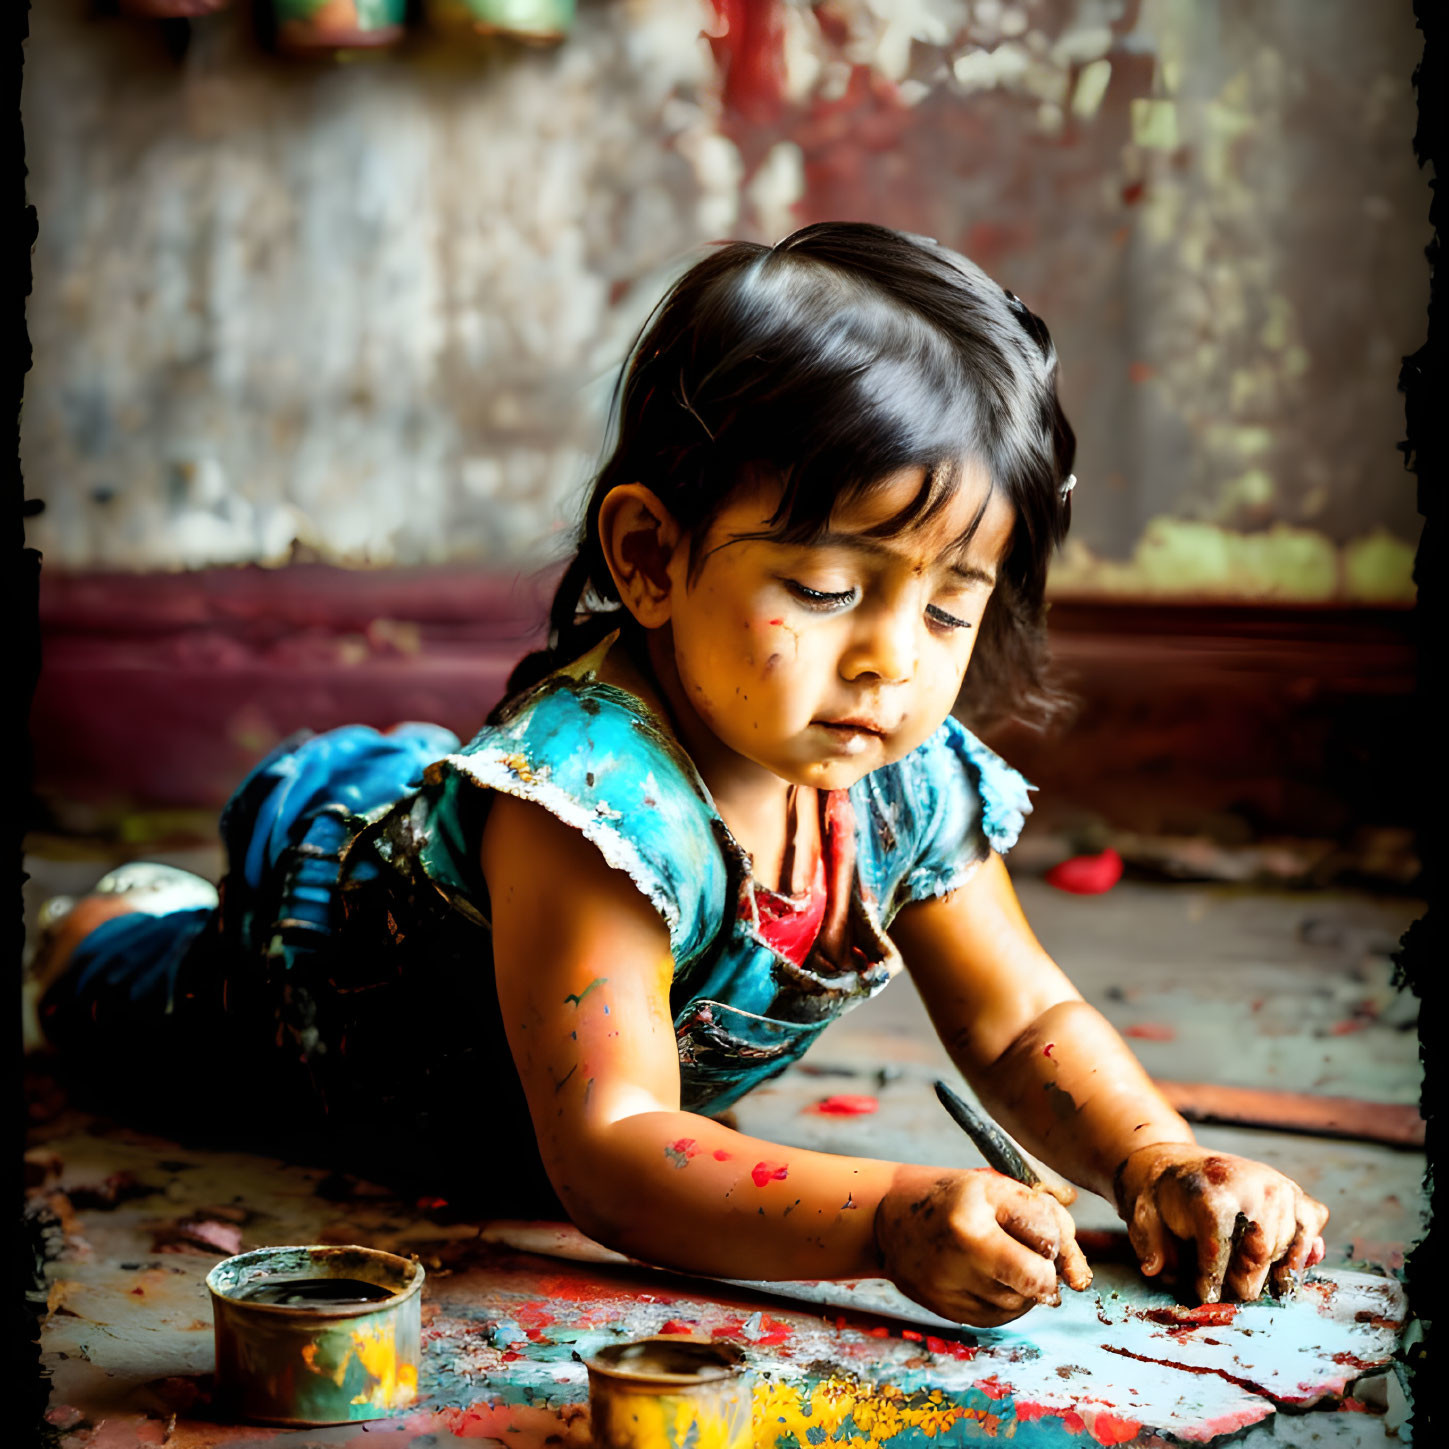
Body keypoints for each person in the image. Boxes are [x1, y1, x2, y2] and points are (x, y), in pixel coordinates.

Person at [32, 222, 1327, 1329]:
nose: (886, 660)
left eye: (947, 608)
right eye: (826, 589)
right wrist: (882, 1216)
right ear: (650, 555)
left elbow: (1019, 1021)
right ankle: (109, 920)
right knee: (115, 1001)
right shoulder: (596, 812)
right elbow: (605, 1148)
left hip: (482, 919)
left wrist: (1156, 1160)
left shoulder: (890, 770)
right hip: (316, 992)